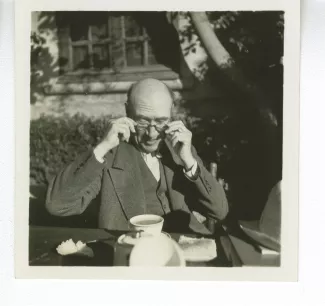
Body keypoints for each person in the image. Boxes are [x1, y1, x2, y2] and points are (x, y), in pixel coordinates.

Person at [46, 78, 228, 234]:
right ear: (127, 112)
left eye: (160, 121)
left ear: (171, 112)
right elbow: (57, 205)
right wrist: (102, 147)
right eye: (142, 121)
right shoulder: (110, 155)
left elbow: (219, 212)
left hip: (185, 251)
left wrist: (189, 162)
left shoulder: (180, 149)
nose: (151, 133)